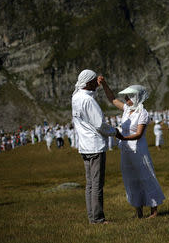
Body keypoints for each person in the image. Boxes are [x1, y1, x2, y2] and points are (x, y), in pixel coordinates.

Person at [99, 78, 165, 219]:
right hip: (126, 151)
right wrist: (104, 84)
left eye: (129, 97)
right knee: (131, 179)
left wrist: (123, 138)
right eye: (126, 97)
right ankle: (138, 211)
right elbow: (112, 99)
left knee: (146, 176)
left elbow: (139, 134)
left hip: (139, 150)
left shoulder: (143, 113)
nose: (126, 99)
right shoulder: (127, 109)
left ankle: (154, 211)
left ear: (136, 98)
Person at [72, 69, 121, 224]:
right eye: (94, 82)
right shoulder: (88, 101)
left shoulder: (76, 97)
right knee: (97, 184)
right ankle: (98, 218)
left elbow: (88, 97)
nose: (96, 84)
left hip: (84, 146)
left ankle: (92, 217)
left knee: (90, 185)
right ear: (88, 83)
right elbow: (100, 124)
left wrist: (98, 86)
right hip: (95, 146)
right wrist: (115, 132)